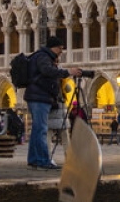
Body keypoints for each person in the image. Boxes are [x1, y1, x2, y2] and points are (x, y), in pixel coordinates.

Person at [23, 35, 84, 170]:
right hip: (39, 97)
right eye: (60, 49)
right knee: (41, 130)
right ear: (54, 47)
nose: (61, 51)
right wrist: (68, 72)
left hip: (38, 97)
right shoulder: (43, 57)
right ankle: (43, 161)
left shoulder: (42, 56)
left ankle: (34, 160)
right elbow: (47, 71)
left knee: (37, 130)